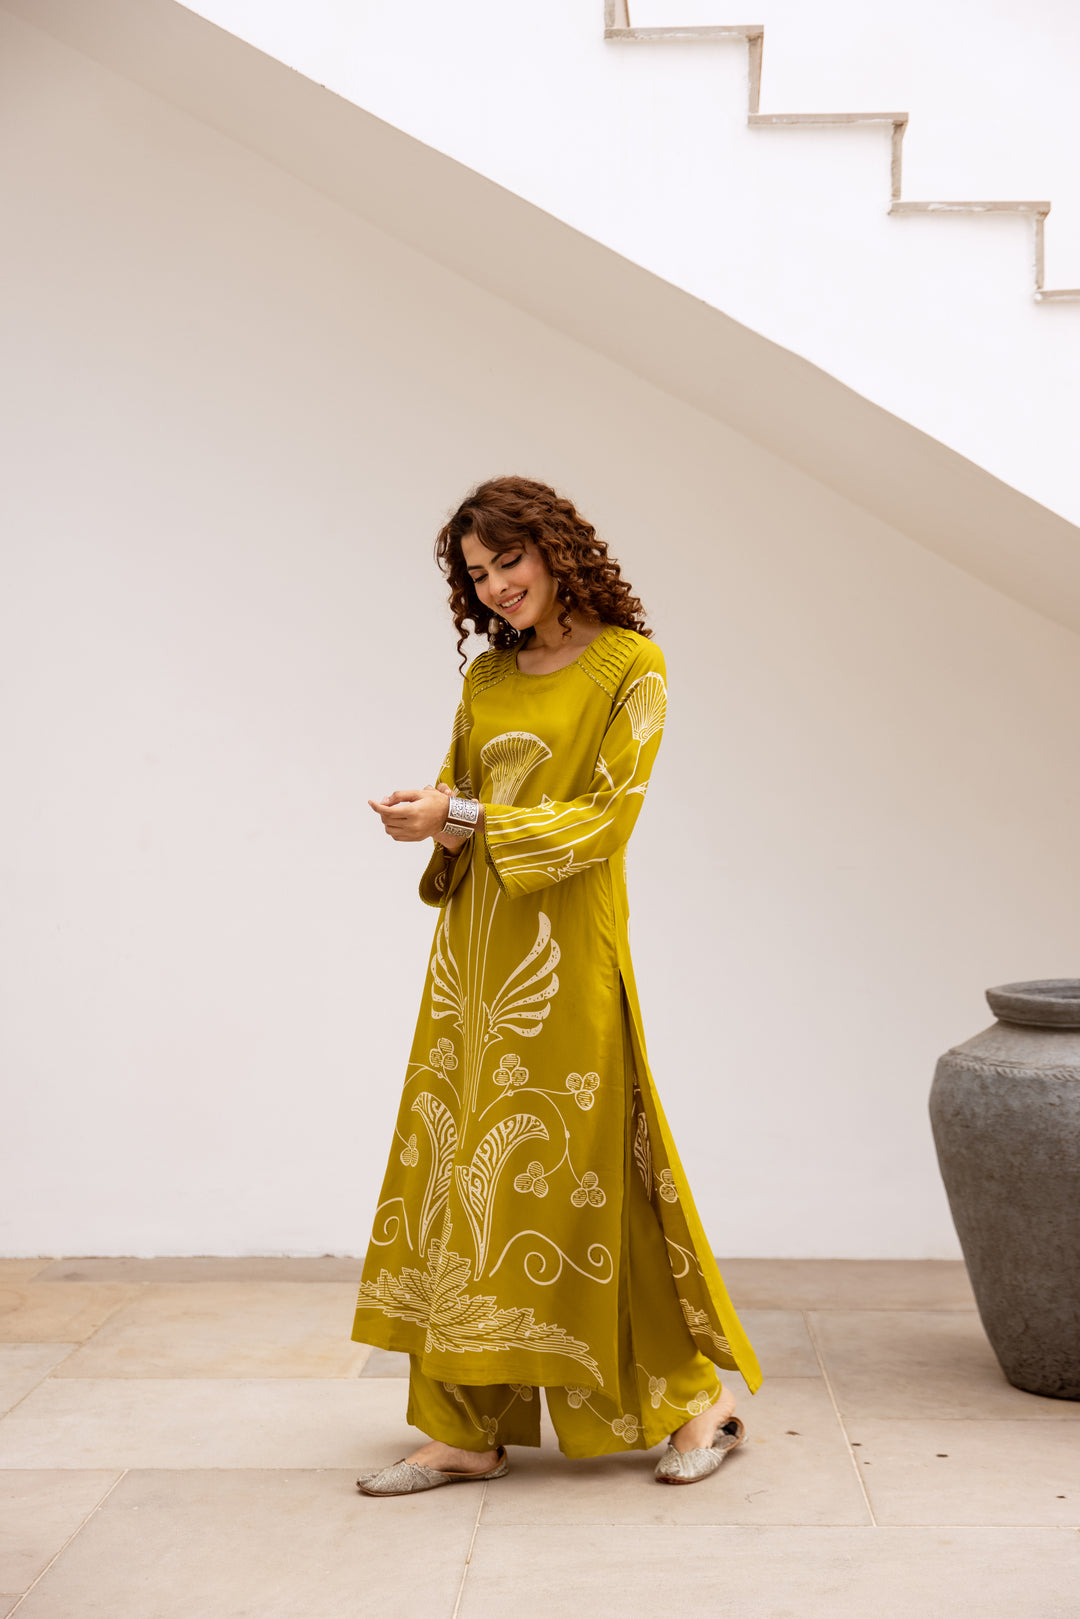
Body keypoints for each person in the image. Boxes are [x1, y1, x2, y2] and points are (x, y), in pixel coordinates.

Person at [352, 476, 761, 1495]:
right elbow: (466, 801)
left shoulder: (632, 667)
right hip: (474, 953)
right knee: (460, 1171)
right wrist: (429, 813)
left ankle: (694, 1397)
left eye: (510, 561)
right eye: (478, 573)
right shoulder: (489, 676)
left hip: (569, 951)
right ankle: (463, 1426)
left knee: (585, 1178)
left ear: (555, 549)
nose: (497, 586)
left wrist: (465, 818)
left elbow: (608, 817)